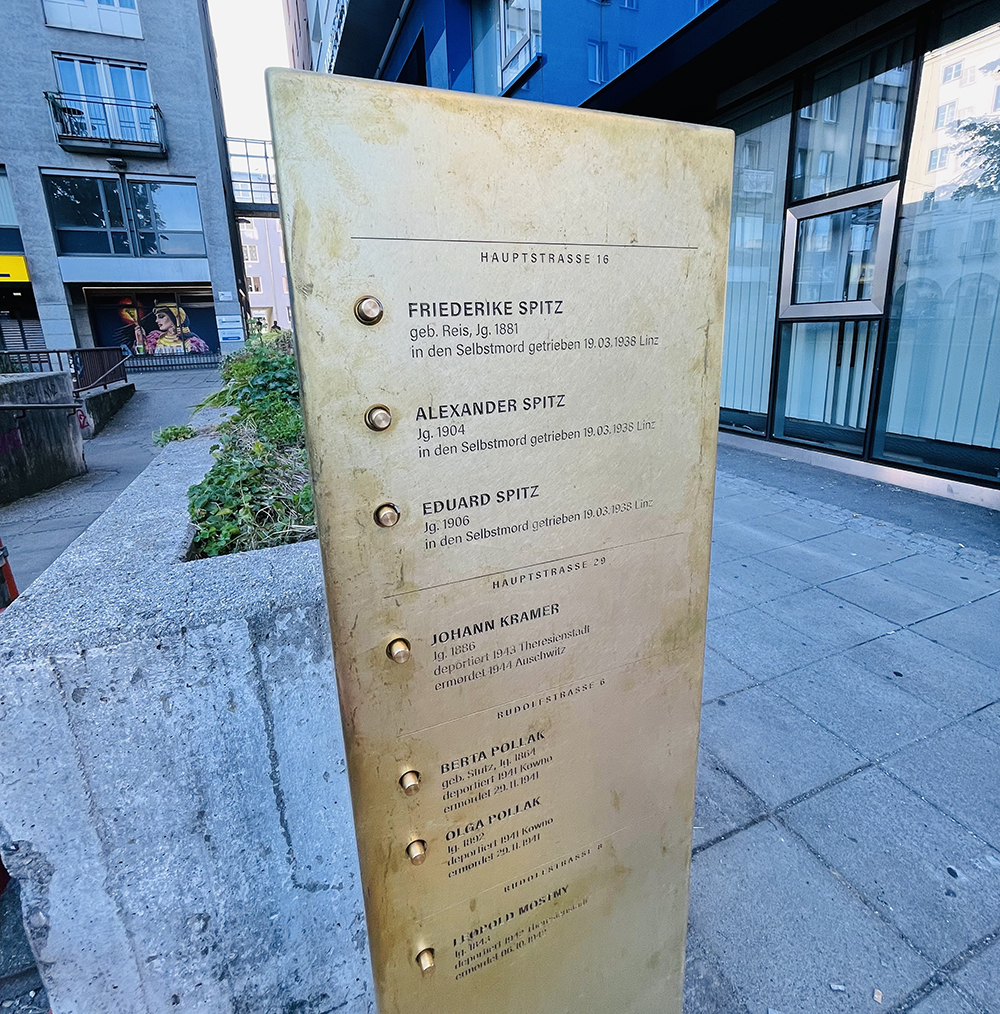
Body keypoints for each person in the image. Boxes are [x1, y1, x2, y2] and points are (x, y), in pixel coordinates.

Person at [134, 305, 209, 355]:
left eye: (161, 316)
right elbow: (142, 358)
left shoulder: (193, 342)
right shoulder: (154, 339)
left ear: (176, 318)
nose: (156, 321)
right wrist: (140, 341)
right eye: (156, 317)